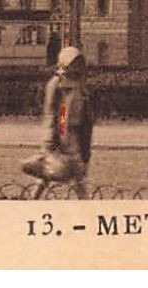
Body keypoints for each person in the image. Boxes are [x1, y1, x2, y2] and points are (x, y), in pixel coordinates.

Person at [43, 46, 94, 198]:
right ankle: (84, 200)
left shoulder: (80, 83)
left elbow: (85, 109)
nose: (77, 67)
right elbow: (57, 112)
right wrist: (58, 135)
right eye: (74, 63)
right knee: (74, 168)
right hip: (65, 131)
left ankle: (33, 198)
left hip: (78, 131)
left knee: (51, 170)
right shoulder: (58, 83)